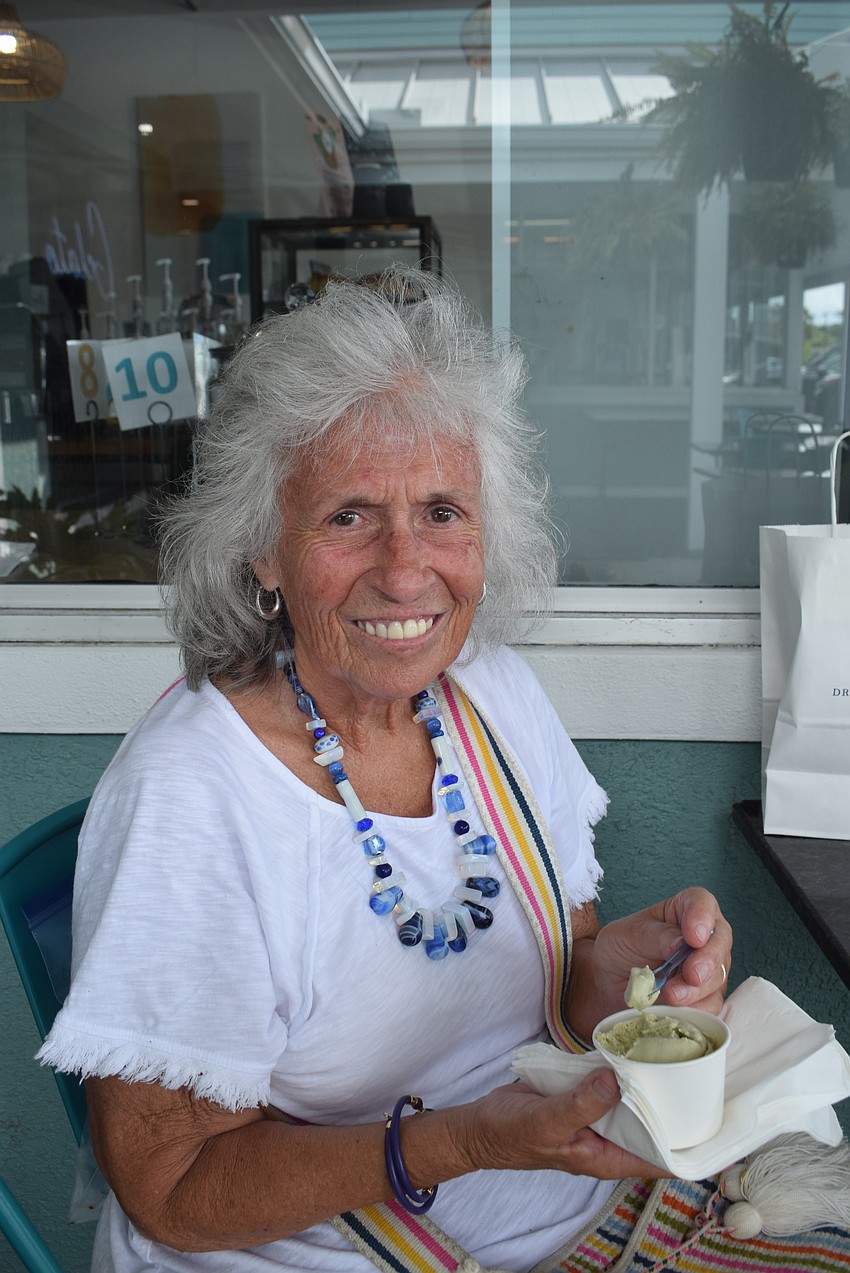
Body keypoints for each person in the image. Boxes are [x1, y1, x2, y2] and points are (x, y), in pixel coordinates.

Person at [39, 268, 732, 1273]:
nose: (407, 571)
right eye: (348, 516)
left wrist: (638, 970)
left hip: (583, 1209)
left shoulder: (488, 694)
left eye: (442, 510)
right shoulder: (190, 798)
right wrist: (461, 1143)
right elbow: (173, 1190)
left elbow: (562, 983)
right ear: (263, 550)